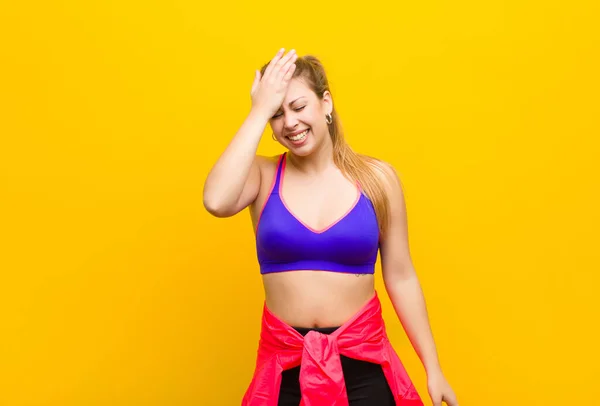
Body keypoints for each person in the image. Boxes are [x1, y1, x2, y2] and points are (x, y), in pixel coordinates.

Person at [203, 48, 459, 406]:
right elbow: (216, 201)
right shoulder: (261, 177)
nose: (289, 122)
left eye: (298, 106)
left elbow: (401, 277)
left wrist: (433, 367)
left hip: (364, 368)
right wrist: (258, 110)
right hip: (285, 369)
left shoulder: (378, 180)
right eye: (277, 114)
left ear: (326, 104)